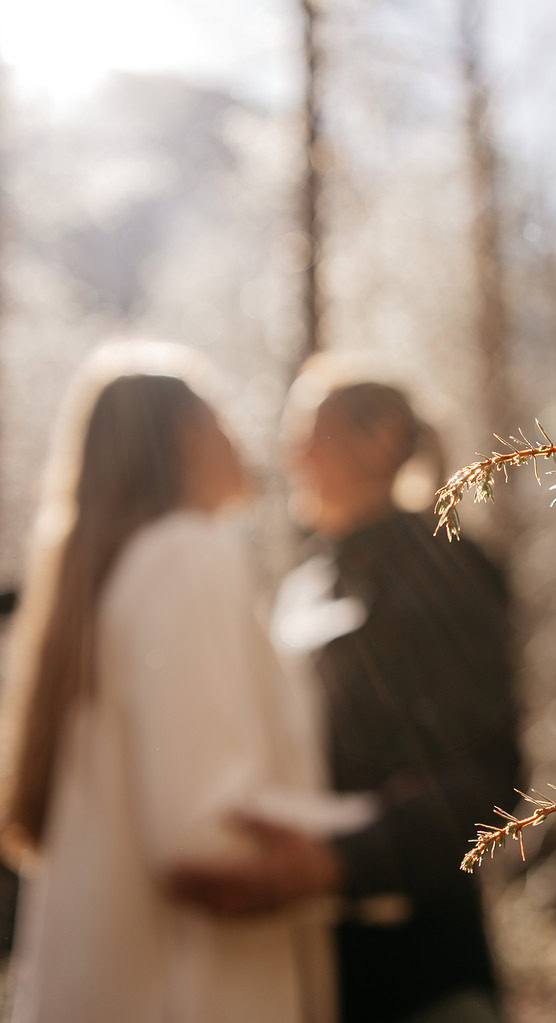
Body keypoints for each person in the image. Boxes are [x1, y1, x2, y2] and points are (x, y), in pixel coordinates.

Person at [1, 342, 364, 1023]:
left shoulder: (111, 581)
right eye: (220, 417)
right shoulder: (186, 556)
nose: (240, 439)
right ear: (185, 435)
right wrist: (373, 838)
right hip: (190, 994)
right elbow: (207, 833)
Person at [172, 367, 521, 1023]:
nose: (292, 456)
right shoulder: (304, 584)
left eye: (312, 434)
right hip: (309, 969)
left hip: (426, 977)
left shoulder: (445, 565)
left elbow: (487, 776)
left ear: (380, 439)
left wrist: (338, 863)